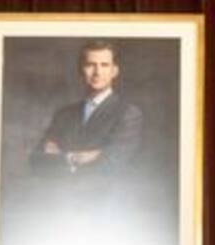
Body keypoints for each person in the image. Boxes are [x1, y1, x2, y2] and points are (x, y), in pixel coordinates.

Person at [30, 41, 142, 180]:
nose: (97, 72)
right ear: (81, 70)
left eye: (104, 65)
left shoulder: (127, 114)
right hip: (61, 192)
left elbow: (112, 164)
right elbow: (36, 161)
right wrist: (75, 158)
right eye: (90, 65)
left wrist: (60, 157)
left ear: (114, 71)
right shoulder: (64, 114)